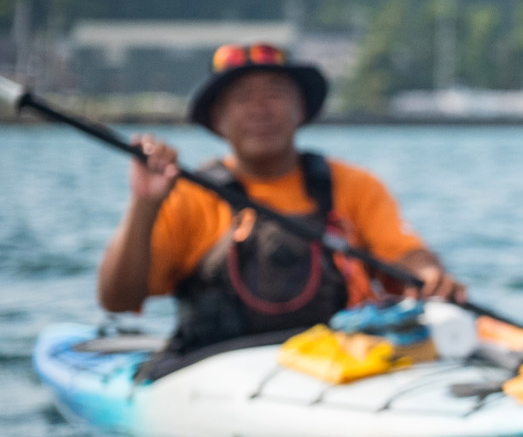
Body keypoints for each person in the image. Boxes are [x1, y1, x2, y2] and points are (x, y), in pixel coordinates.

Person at [97, 43, 465, 379]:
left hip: (335, 362)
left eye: (274, 94)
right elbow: (119, 299)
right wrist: (145, 203)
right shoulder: (187, 195)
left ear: (300, 109)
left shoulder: (354, 186)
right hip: (213, 370)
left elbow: (404, 253)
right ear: (218, 119)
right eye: (242, 98)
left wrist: (428, 273)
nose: (260, 109)